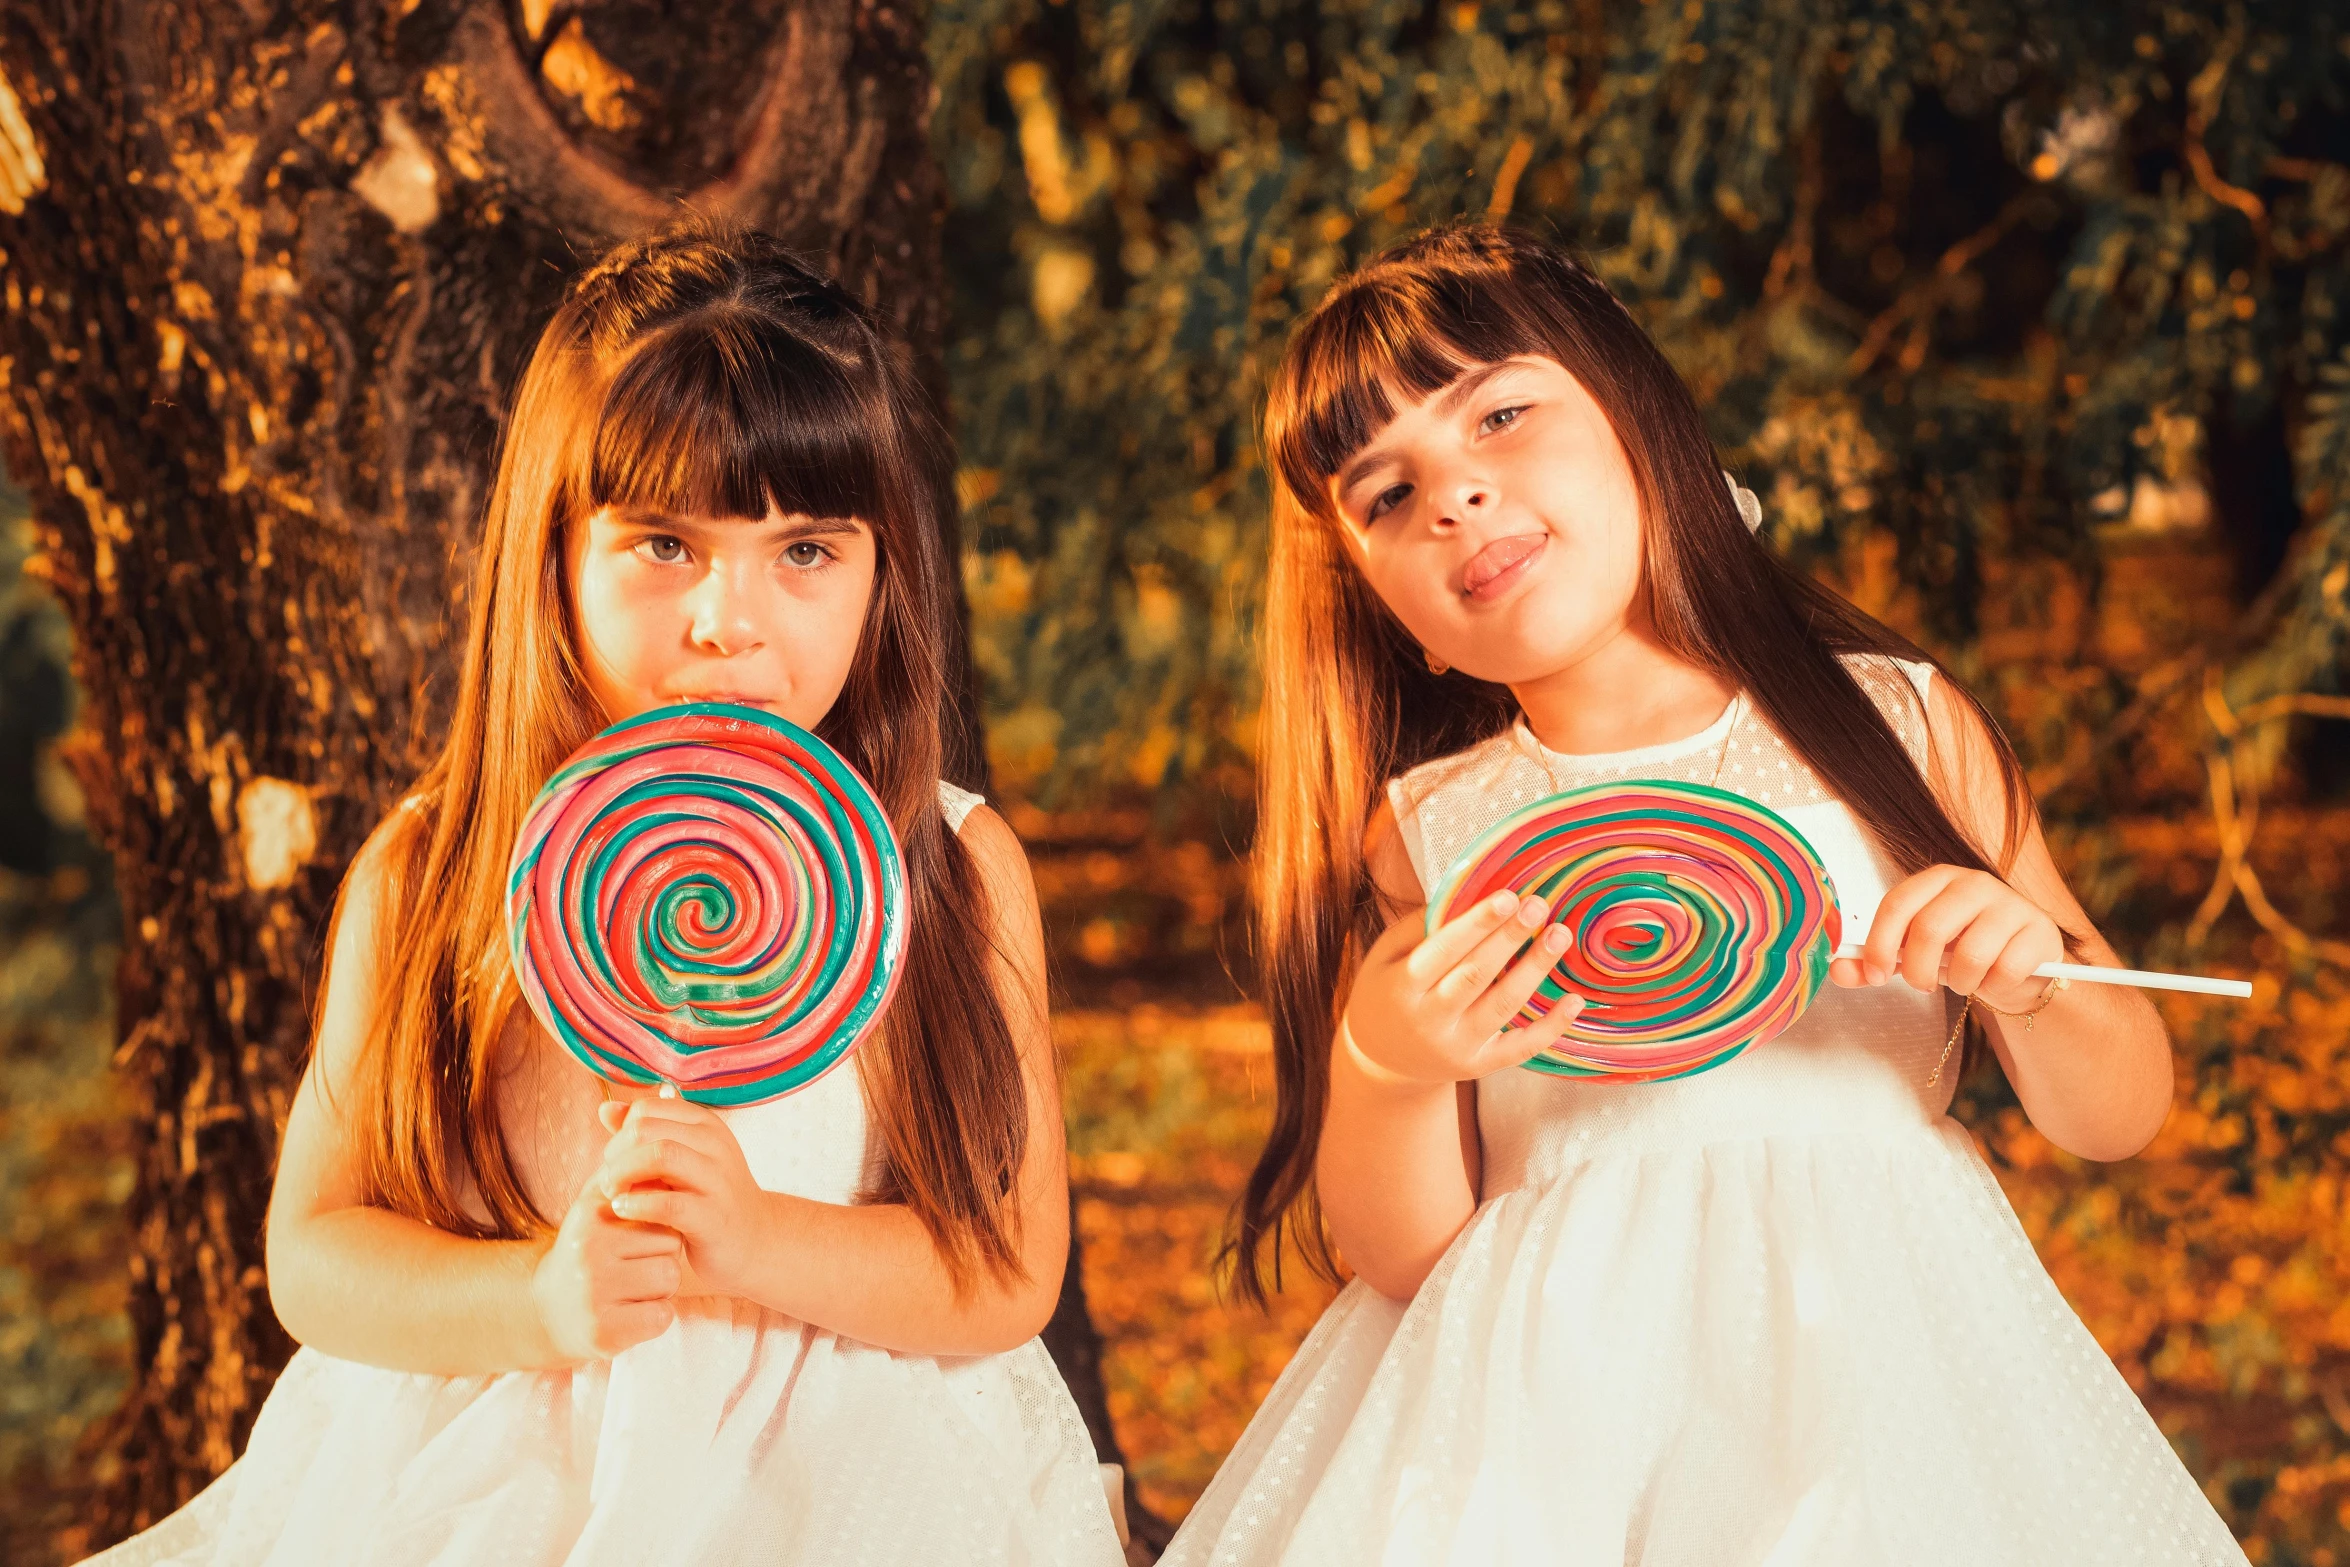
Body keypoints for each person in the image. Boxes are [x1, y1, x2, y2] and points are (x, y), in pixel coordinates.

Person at [1166, 223, 2248, 1566]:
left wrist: (2033, 981)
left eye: (1498, 414)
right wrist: (1388, 1062)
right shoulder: (1431, 836)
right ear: (1380, 597)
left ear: (1639, 422)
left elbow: (2115, 1113)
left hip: (1878, 1370)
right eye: (1386, 496)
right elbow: (1404, 1258)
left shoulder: (1892, 727)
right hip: (1541, 1426)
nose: (1450, 496)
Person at [84, 223, 1125, 1567]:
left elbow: (1002, 1275)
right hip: (498, 1476)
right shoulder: (433, 871)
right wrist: (539, 1297)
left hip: (855, 1486)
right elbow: (316, 1251)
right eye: (663, 545)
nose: (728, 620)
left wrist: (752, 1238)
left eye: (806, 550)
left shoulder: (952, 864)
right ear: (553, 557)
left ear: (886, 576)